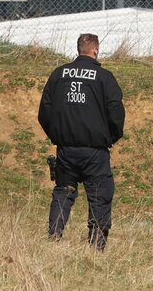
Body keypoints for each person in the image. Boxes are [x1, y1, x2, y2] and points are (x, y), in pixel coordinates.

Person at [38, 33, 125, 251]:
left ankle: (54, 236)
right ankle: (96, 244)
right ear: (95, 50)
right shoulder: (104, 77)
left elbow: (44, 111)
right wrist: (111, 137)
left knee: (63, 191)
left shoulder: (59, 74)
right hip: (95, 151)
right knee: (99, 194)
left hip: (65, 150)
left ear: (79, 49)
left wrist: (57, 135)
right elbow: (115, 112)